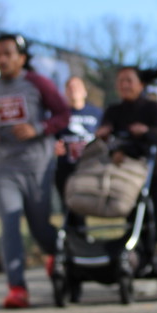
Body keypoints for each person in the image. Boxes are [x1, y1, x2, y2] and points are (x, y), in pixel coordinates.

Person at [0, 33, 70, 309]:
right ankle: (17, 288)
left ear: (22, 58)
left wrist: (37, 128)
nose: (1, 59)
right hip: (5, 168)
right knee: (10, 224)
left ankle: (57, 253)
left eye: (7, 54)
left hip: (37, 166)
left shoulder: (38, 84)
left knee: (40, 227)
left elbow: (63, 115)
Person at [94, 66, 157, 247]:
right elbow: (106, 136)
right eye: (121, 81)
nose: (124, 85)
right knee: (134, 219)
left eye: (129, 80)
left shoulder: (152, 107)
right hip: (126, 175)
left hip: (155, 173)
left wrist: (146, 131)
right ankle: (138, 252)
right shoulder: (113, 111)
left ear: (141, 84)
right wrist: (104, 137)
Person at [54, 76, 104, 232]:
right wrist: (55, 147)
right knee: (69, 205)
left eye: (77, 86)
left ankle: (84, 234)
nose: (73, 90)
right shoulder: (59, 115)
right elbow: (52, 139)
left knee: (84, 203)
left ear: (84, 92)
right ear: (65, 92)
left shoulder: (97, 113)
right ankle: (72, 236)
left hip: (90, 167)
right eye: (70, 87)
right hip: (66, 167)